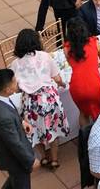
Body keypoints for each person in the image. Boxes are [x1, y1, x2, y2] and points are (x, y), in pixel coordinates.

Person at [10, 29, 69, 167]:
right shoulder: (45, 56)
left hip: (31, 103)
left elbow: (16, 88)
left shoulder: (15, 64)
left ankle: (43, 157)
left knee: (34, 132)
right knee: (53, 130)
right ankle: (54, 159)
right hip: (49, 99)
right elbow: (57, 77)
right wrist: (62, 83)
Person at [0, 69, 39, 188]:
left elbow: (10, 110)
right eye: (14, 81)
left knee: (14, 180)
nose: (17, 82)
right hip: (14, 159)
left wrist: (21, 122)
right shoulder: (4, 118)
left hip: (4, 148)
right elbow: (15, 144)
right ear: (7, 90)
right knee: (21, 182)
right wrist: (31, 160)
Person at [64, 17, 100, 126]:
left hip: (77, 87)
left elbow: (74, 65)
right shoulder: (95, 43)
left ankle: (85, 137)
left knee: (83, 113)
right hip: (94, 84)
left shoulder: (66, 49)